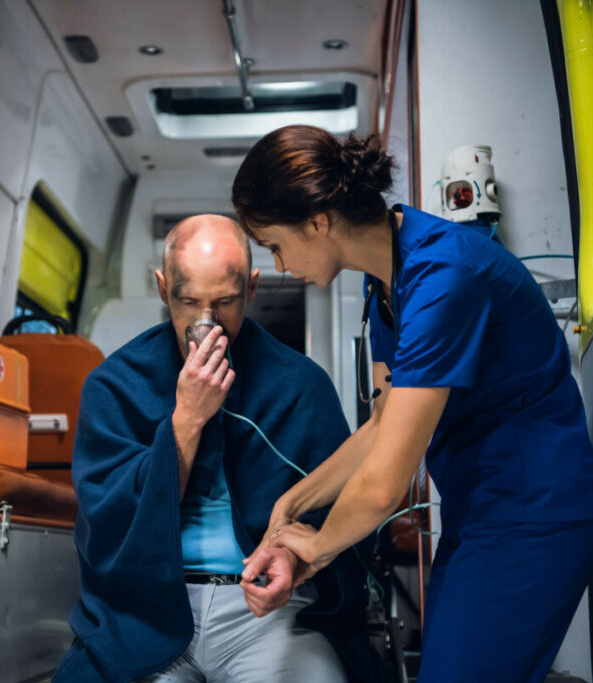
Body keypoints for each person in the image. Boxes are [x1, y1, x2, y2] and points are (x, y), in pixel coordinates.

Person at [231, 125, 593, 682]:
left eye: (275, 246)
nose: (281, 266)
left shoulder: (444, 276)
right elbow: (383, 421)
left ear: (318, 222)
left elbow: (385, 484)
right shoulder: (386, 278)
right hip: (479, 514)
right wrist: (290, 506)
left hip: (534, 515)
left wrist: (316, 546)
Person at [54, 215, 381, 682]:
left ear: (252, 288)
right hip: (146, 605)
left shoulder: (299, 384)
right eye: (188, 302)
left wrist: (294, 558)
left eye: (225, 302)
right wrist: (185, 422)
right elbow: (106, 521)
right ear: (163, 287)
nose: (206, 324)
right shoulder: (115, 385)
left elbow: (342, 507)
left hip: (268, 609)